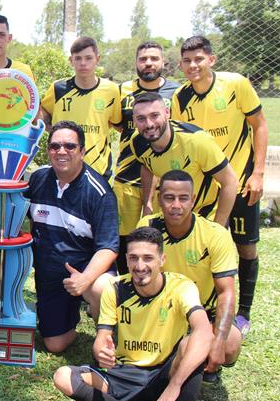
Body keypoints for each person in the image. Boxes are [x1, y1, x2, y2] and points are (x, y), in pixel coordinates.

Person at [53, 226, 213, 401]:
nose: (140, 265)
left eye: (148, 258)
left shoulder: (182, 287)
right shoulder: (115, 288)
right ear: (125, 259)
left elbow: (204, 332)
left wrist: (174, 385)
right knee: (63, 376)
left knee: (192, 346)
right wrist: (102, 351)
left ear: (162, 259)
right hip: (124, 373)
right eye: (133, 258)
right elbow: (102, 338)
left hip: (164, 374)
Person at [171, 35, 268, 334]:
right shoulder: (180, 98)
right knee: (206, 248)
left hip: (239, 184)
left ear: (211, 60)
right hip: (203, 190)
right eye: (187, 61)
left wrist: (259, 173)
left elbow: (260, 125)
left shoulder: (235, 85)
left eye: (199, 59)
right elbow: (181, 143)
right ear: (180, 65)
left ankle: (244, 313)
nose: (193, 65)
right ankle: (206, 309)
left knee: (245, 248)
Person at [138, 170, 242, 384]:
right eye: (169, 198)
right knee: (180, 350)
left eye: (183, 198)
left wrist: (219, 340)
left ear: (193, 200)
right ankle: (185, 357)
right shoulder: (147, 228)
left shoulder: (215, 235)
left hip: (203, 314)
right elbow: (138, 280)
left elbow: (226, 291)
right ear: (159, 199)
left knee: (231, 342)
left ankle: (201, 356)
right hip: (161, 312)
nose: (176, 205)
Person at [26, 121, 118, 353]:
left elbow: (108, 247)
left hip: (85, 271)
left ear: (82, 151)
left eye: (70, 146)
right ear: (48, 151)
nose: (61, 151)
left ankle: (107, 337)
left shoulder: (99, 192)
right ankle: (69, 319)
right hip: (51, 275)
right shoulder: (37, 179)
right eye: (55, 146)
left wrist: (85, 279)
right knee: (54, 345)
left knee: (103, 288)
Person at [115, 42, 180, 272]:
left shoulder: (177, 92)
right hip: (127, 180)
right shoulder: (122, 91)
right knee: (125, 240)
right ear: (136, 62)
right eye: (143, 59)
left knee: (160, 240)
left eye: (154, 58)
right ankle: (125, 291)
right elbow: (116, 124)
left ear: (163, 62)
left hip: (165, 180)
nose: (148, 63)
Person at [130, 92, 238, 226]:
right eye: (141, 118)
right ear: (134, 120)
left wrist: (218, 227)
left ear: (167, 113)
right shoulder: (137, 142)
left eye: (154, 115)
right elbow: (146, 166)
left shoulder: (197, 141)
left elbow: (230, 181)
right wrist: (148, 204)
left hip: (203, 218)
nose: (149, 124)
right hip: (169, 218)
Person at [38, 36, 121, 179]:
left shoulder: (112, 90)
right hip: (62, 168)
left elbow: (118, 124)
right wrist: (54, 131)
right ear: (71, 61)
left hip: (98, 170)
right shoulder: (58, 88)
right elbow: (41, 113)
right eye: (78, 58)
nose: (83, 63)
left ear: (98, 59)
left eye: (88, 58)